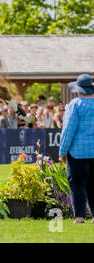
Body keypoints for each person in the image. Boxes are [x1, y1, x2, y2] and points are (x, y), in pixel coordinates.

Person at [59, 74, 94, 224]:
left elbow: (68, 130)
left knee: (77, 183)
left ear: (79, 89)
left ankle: (79, 216)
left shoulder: (75, 104)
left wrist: (62, 151)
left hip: (77, 152)